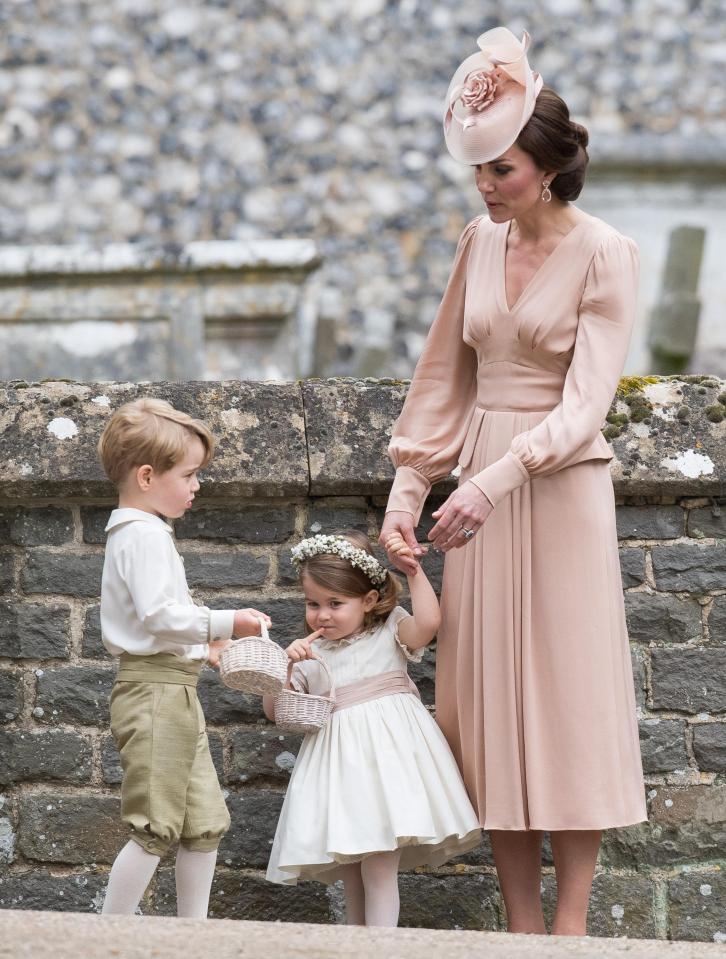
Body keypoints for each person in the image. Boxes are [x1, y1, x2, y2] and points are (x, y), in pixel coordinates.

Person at [379, 27, 647, 937]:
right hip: (475, 495)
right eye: (479, 170)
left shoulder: (606, 252)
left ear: (547, 166)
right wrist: (407, 494)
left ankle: (571, 929)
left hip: (557, 484)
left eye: (501, 169)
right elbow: (440, 376)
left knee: (569, 696)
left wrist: (494, 477)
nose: (486, 185)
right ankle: (520, 929)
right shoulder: (477, 242)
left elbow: (585, 409)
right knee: (486, 699)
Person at [97, 397, 271, 918]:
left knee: (203, 821)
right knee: (155, 827)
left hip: (174, 688)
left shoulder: (146, 531)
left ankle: (192, 937)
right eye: (190, 475)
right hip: (153, 693)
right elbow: (156, 616)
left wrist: (208, 648)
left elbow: (163, 618)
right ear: (147, 476)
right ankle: (106, 937)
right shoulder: (141, 535)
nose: (197, 486)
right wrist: (225, 622)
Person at [263, 532, 480, 926]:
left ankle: (381, 947)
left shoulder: (389, 630)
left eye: (335, 604)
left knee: (379, 869)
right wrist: (286, 668)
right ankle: (356, 942)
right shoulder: (312, 654)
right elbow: (276, 710)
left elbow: (429, 623)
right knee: (351, 872)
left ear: (367, 601)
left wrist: (413, 571)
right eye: (313, 604)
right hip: (340, 772)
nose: (322, 615)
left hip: (389, 766)